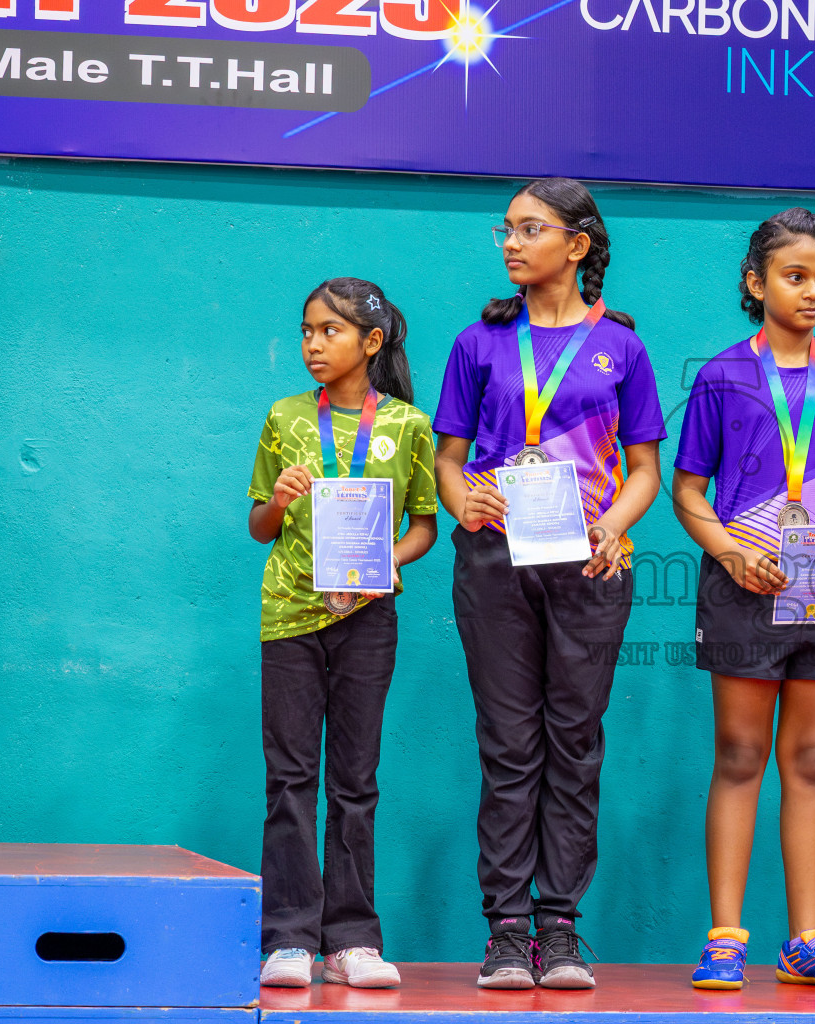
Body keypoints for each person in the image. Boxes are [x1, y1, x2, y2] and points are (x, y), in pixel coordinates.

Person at [433, 177, 666, 991]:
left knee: (575, 741)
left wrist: (613, 524)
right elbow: (448, 459)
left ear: (577, 246)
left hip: (590, 565)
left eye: (528, 230)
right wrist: (463, 499)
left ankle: (560, 926)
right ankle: (504, 929)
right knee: (509, 744)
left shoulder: (623, 348)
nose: (509, 243)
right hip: (494, 561)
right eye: (504, 230)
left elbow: (644, 471)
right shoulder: (478, 344)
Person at [673, 208, 815, 991]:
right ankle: (726, 935)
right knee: (738, 756)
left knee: (810, 758)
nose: (812, 292)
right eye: (796, 277)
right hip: (743, 586)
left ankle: (807, 939)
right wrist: (733, 551)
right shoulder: (723, 375)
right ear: (756, 283)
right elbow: (687, 493)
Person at [249, 278, 439, 990]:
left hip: (368, 619)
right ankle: (290, 935)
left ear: (372, 341)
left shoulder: (408, 427)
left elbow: (425, 524)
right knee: (291, 777)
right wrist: (280, 500)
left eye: (329, 331)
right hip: (289, 618)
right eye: (305, 331)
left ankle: (353, 938)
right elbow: (258, 527)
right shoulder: (284, 417)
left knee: (356, 783)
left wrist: (388, 559)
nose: (312, 344)